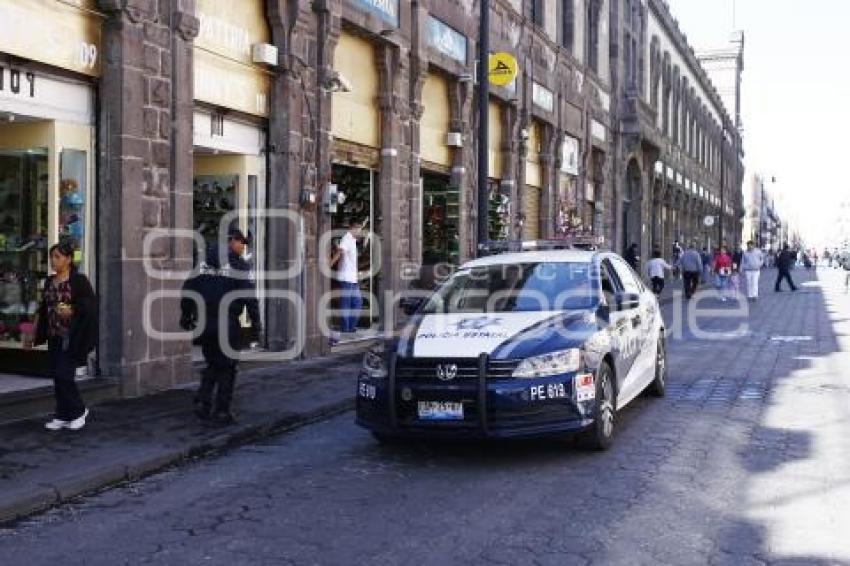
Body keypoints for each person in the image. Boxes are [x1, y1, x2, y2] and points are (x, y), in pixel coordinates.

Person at [180, 229, 262, 424]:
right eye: (242, 242)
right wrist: (256, 323)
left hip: (205, 321)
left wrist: (186, 315)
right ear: (231, 241)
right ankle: (222, 410)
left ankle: (204, 400)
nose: (243, 247)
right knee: (227, 367)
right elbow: (250, 298)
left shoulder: (202, 262)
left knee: (212, 363)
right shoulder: (238, 265)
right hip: (228, 323)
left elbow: (188, 290)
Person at [35, 241, 97, 431]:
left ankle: (79, 411)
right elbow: (44, 308)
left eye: (58, 257)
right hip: (54, 335)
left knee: (64, 375)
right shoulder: (49, 281)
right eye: (51, 257)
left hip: (72, 336)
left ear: (69, 259)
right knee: (57, 375)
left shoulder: (79, 281)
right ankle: (62, 414)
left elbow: (90, 306)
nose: (53, 261)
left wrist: (73, 309)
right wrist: (33, 333)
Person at [330, 219, 364, 338]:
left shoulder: (353, 240)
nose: (360, 232)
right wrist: (330, 264)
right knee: (346, 303)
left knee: (357, 302)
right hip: (346, 277)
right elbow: (340, 252)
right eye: (359, 229)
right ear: (353, 228)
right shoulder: (347, 238)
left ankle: (349, 327)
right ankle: (346, 329)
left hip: (352, 278)